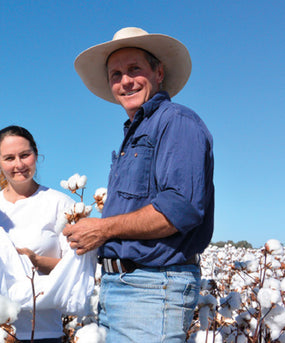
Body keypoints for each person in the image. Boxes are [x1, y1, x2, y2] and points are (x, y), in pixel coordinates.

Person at [65, 27, 214, 342]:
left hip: (152, 289)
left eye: (135, 69)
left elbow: (179, 210)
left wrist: (102, 229)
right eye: (116, 74)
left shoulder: (177, 122)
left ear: (158, 73)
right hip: (124, 288)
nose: (125, 81)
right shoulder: (136, 132)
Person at [0, 125, 75, 342]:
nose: (19, 164)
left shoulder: (60, 204)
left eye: (25, 155)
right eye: (9, 158)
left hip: (42, 332)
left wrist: (37, 260)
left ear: (36, 155)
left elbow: (76, 269)